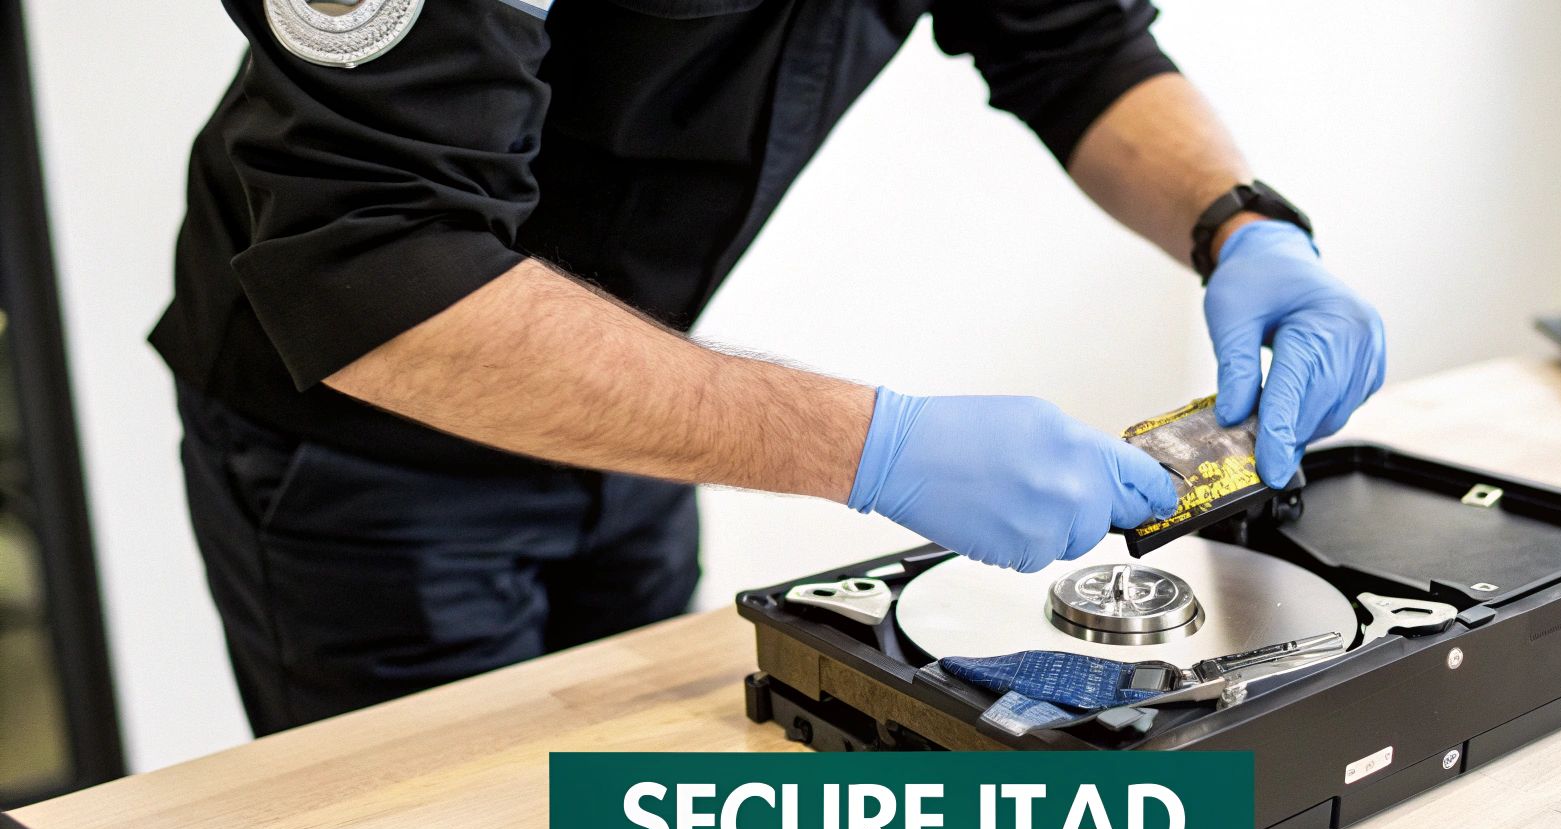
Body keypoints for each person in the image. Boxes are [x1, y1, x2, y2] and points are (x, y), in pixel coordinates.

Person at [156, 0, 1386, 734]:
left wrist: (1240, 222)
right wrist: (872, 446)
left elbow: (1071, 42)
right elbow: (372, 269)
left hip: (624, 386)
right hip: (354, 454)